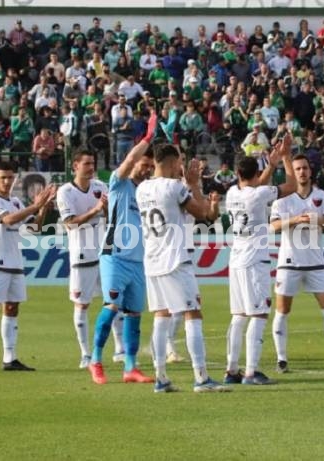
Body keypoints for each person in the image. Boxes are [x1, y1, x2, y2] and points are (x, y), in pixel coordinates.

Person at [137, 144, 229, 393]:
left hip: (153, 260)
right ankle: (201, 378)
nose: (181, 165)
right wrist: (194, 185)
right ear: (171, 162)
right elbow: (205, 215)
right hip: (175, 259)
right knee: (193, 313)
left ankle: (161, 378)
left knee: (161, 316)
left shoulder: (142, 188)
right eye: (179, 161)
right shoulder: (175, 187)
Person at [86, 111, 158, 385]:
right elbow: (128, 160)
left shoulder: (146, 191)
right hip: (114, 256)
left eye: (150, 166)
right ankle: (95, 360)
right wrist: (148, 137)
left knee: (134, 314)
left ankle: (130, 367)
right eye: (144, 164)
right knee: (111, 306)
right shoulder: (119, 183)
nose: (146, 169)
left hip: (138, 261)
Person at [269, 153, 324, 374]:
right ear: (292, 172)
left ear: (310, 170)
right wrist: (296, 220)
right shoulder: (282, 200)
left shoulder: (321, 196)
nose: (302, 172)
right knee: (282, 311)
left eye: (305, 168)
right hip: (289, 262)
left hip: (316, 262)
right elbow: (274, 226)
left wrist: (317, 220)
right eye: (297, 169)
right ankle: (281, 359)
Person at [224, 135, 296, 386]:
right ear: (256, 173)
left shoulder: (232, 192)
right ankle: (252, 372)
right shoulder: (258, 194)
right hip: (255, 260)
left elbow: (256, 188)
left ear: (237, 173)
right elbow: (292, 186)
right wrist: (284, 158)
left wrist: (269, 165)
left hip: (236, 260)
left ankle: (232, 370)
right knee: (259, 314)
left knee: (239, 315)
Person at [0, 161, 56, 374]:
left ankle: (9, 358)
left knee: (12, 308)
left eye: (10, 177)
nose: (7, 181)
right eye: (3, 177)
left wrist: (44, 207)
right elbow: (8, 220)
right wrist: (36, 206)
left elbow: (35, 227)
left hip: (15, 262)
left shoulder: (17, 202)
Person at [56, 149, 125, 369]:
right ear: (75, 165)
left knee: (114, 302)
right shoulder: (65, 191)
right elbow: (70, 223)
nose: (91, 167)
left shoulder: (100, 187)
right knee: (82, 304)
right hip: (81, 255)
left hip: (105, 254)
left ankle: (120, 349)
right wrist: (96, 209)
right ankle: (86, 354)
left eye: (92, 163)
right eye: (86, 163)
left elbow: (111, 217)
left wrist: (105, 211)